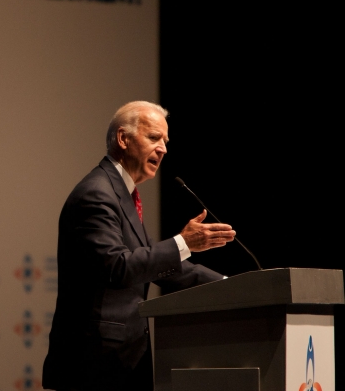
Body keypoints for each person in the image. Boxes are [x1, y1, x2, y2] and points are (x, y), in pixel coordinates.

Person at [42, 100, 236, 391]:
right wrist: (183, 243)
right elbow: (118, 266)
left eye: (166, 141)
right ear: (123, 139)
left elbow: (157, 267)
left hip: (118, 361)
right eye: (154, 138)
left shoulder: (120, 193)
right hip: (95, 365)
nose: (163, 149)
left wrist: (229, 286)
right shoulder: (96, 194)